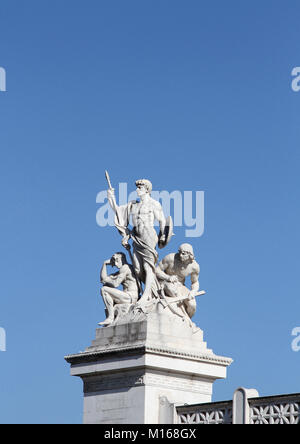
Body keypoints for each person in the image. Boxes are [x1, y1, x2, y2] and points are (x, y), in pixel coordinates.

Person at [107, 179, 168, 308]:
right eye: (137, 188)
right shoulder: (133, 205)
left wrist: (162, 235)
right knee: (138, 269)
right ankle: (151, 292)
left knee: (148, 266)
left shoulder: (154, 204)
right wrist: (111, 197)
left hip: (149, 236)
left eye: (140, 188)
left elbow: (162, 220)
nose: (137, 190)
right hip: (136, 238)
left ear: (147, 189)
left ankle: (146, 296)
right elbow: (118, 211)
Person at [156, 243, 202, 319]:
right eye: (180, 252)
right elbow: (157, 270)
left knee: (192, 305)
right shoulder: (171, 258)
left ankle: (187, 321)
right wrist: (168, 277)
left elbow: (195, 282)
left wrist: (193, 291)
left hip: (180, 285)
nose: (180, 255)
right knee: (172, 290)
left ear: (189, 254)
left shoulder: (194, 267)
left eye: (183, 254)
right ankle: (181, 314)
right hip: (165, 282)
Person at [99, 252, 139, 326]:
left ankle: (110, 318)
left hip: (130, 296)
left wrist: (109, 281)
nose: (114, 263)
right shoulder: (122, 270)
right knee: (104, 289)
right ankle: (110, 317)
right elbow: (103, 280)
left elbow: (115, 284)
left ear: (120, 259)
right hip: (127, 296)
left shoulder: (126, 268)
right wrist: (104, 264)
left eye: (115, 260)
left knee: (104, 289)